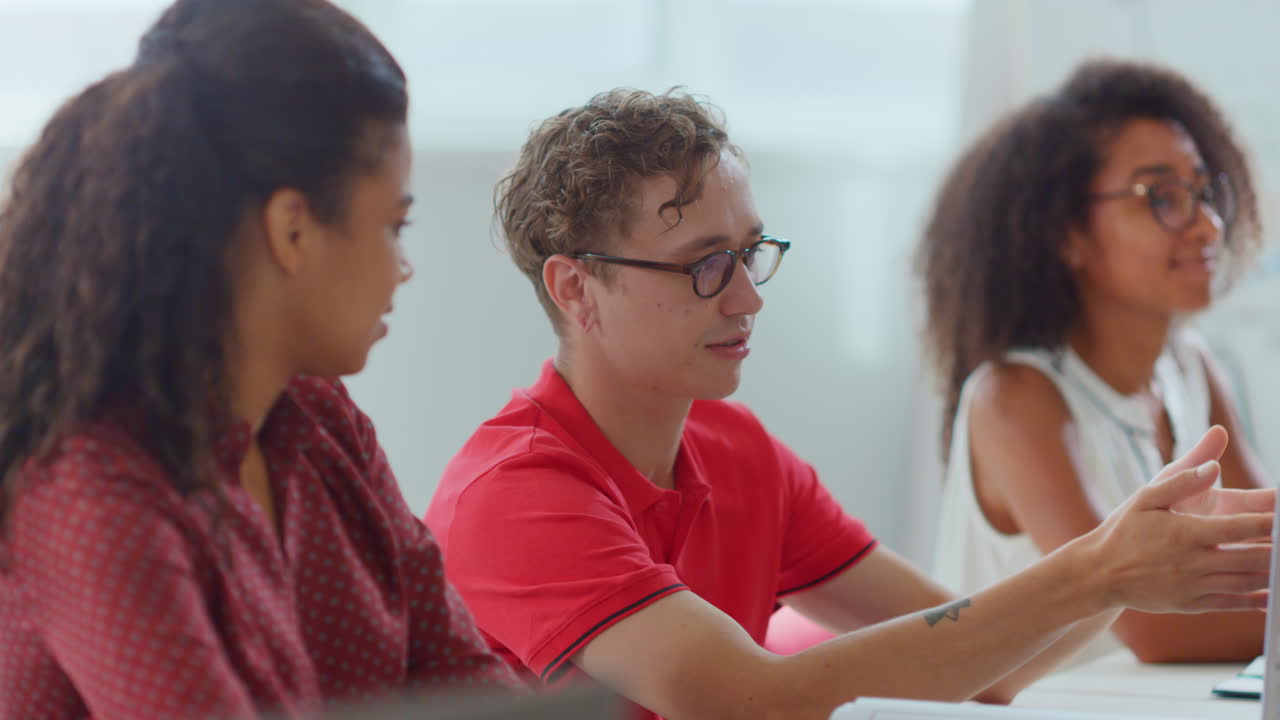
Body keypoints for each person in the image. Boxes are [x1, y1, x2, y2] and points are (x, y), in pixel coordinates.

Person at [425, 88, 1274, 720]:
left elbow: (985, 665)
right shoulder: (517, 493)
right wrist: (1103, 569)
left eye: (751, 254)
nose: (747, 300)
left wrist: (1118, 571)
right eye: (704, 265)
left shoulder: (738, 449)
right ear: (577, 289)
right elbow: (748, 702)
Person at [0, 1, 518, 718]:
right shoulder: (92, 491)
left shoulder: (323, 421)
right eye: (394, 225)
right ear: (293, 230)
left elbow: (463, 677)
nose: (404, 269)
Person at [922, 58, 1273, 665]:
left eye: (1203, 192)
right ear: (1066, 234)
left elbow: (1266, 541)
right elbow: (1149, 628)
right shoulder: (1014, 398)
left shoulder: (1189, 364)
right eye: (1162, 197)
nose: (1207, 226)